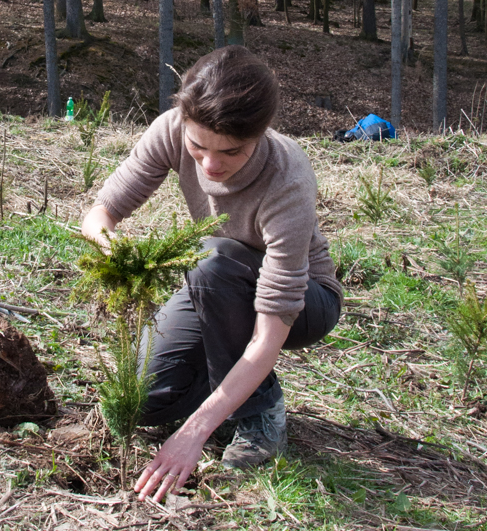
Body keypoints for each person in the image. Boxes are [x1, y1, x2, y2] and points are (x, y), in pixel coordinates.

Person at [80, 45, 343, 503]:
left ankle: (260, 412)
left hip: (304, 303)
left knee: (212, 257)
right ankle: (226, 383)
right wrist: (115, 250)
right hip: (216, 283)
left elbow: (268, 333)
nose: (210, 165)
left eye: (231, 151)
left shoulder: (288, 180)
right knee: (145, 400)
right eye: (197, 147)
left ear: (260, 134)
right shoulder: (173, 128)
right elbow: (99, 213)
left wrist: (195, 432)